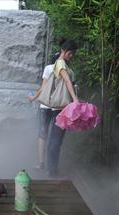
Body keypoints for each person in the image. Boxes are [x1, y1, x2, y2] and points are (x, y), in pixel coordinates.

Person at [46, 40, 79, 178]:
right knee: (55, 139)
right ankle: (52, 170)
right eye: (70, 54)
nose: (71, 56)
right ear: (63, 51)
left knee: (57, 139)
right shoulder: (60, 63)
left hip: (64, 107)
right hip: (60, 108)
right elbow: (67, 81)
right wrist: (75, 99)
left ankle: (53, 168)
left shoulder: (65, 65)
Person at [27, 53, 60, 171]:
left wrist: (33, 98)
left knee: (43, 134)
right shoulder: (69, 71)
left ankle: (41, 163)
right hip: (59, 107)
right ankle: (52, 167)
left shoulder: (49, 68)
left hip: (45, 106)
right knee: (55, 137)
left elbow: (43, 87)